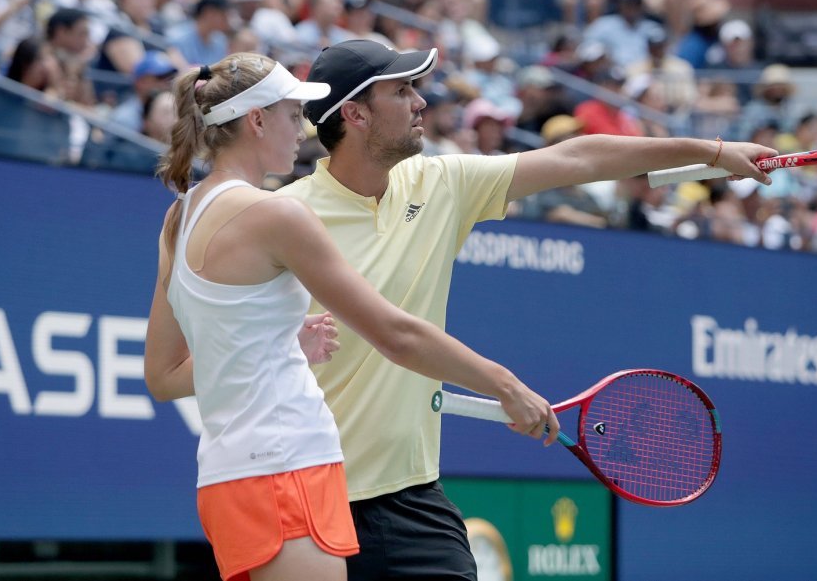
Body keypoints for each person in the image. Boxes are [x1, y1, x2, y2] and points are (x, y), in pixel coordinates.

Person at [278, 38, 775, 581]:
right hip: (311, 495)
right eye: (402, 91)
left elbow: (578, 156)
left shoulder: (440, 183)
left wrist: (713, 152)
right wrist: (505, 386)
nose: (421, 102)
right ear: (354, 114)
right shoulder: (285, 217)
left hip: (411, 495)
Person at [143, 51, 558, 581]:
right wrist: (504, 384)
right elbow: (396, 333)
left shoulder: (180, 217)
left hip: (230, 479)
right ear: (256, 120)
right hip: (286, 467)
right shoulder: (277, 212)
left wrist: (281, 347)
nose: (305, 129)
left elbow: (163, 376)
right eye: (295, 115)